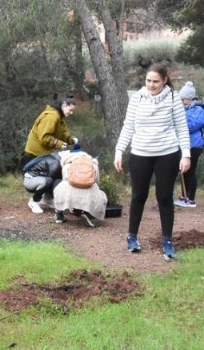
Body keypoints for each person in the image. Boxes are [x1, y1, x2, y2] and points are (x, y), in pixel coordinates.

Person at [114, 63, 191, 260]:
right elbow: (128, 126)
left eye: (156, 81)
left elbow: (182, 128)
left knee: (164, 197)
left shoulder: (173, 98)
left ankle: (167, 241)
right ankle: (132, 237)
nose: (151, 85)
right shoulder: (137, 98)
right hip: (140, 153)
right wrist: (119, 150)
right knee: (138, 196)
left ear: (165, 80)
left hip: (167, 153)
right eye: (148, 81)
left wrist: (186, 155)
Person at [53, 147, 107, 227]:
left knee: (61, 188)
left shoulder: (68, 164)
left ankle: (59, 215)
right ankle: (88, 213)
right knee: (96, 191)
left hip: (67, 194)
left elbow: (66, 180)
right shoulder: (93, 164)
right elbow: (97, 182)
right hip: (89, 195)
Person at [174, 81, 204, 208]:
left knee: (190, 171)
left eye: (183, 99)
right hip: (184, 145)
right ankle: (184, 196)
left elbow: (192, 126)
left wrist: (181, 122)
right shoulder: (183, 109)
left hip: (195, 145)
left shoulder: (199, 110)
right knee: (183, 170)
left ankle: (190, 198)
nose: (181, 101)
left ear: (190, 99)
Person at [23, 97, 78, 163]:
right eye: (70, 110)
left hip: (43, 154)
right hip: (35, 154)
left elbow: (62, 133)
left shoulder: (60, 117)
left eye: (73, 111)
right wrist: (59, 144)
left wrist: (71, 140)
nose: (71, 113)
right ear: (64, 105)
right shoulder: (52, 116)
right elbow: (44, 138)